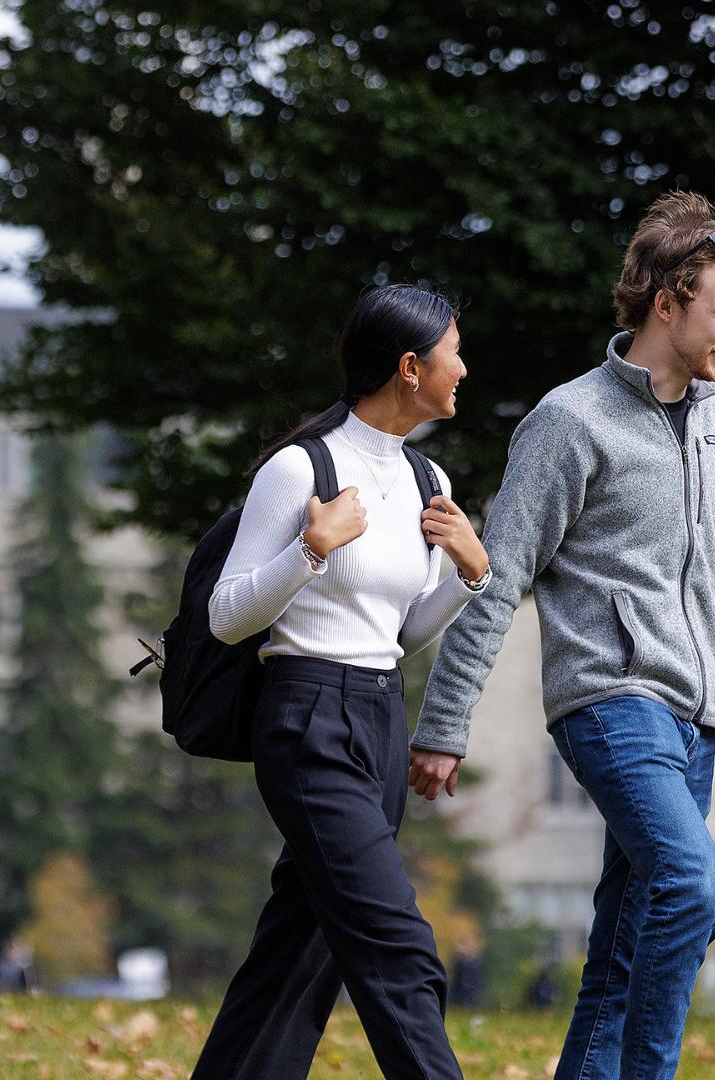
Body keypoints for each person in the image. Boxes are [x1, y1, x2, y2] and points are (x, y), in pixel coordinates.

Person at [408, 191, 715, 1080]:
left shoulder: (712, 422)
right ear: (666, 301)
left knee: (631, 930)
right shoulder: (570, 422)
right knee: (692, 886)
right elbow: (501, 575)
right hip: (610, 701)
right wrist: (446, 723)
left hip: (694, 715)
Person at [190, 283, 490, 1080]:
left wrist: (467, 575)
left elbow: (400, 635)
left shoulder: (431, 481)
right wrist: (309, 552)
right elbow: (226, 617)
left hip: (379, 719)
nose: (463, 367)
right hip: (306, 719)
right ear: (408, 368)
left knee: (300, 951)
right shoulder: (301, 470)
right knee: (398, 947)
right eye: (453, 352)